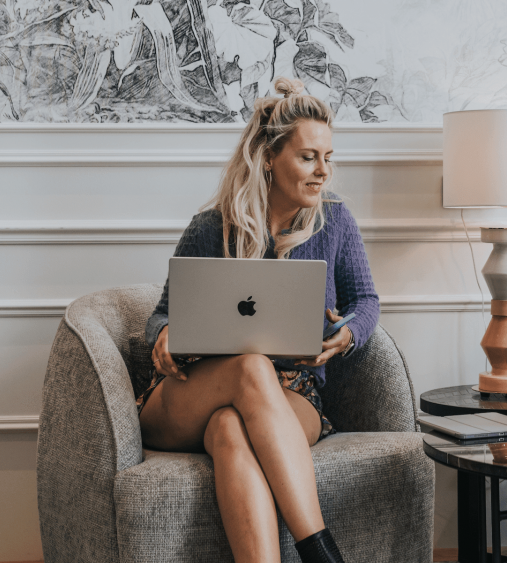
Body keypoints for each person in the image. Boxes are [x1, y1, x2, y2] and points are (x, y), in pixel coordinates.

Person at [136, 77, 379, 563]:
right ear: (269, 156)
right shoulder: (212, 226)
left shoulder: (336, 221)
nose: (322, 171)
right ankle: (321, 552)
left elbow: (366, 301)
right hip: (195, 386)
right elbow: (164, 310)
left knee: (229, 428)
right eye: (309, 157)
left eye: (328, 158)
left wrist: (346, 335)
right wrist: (162, 332)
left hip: (294, 392)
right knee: (249, 365)